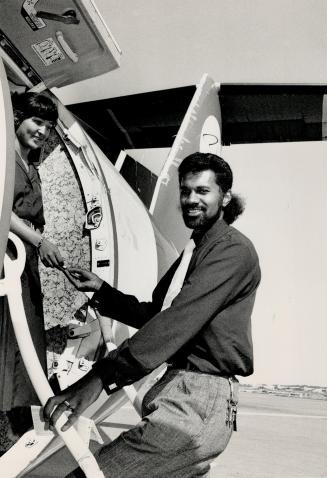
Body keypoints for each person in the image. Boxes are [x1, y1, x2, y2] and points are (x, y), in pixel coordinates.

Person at [44, 152, 261, 477]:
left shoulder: (233, 251)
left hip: (198, 403)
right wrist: (103, 291)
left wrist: (100, 378)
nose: (191, 199)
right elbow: (158, 315)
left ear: (225, 197)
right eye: (186, 191)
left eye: (203, 191)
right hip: (177, 391)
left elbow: (176, 322)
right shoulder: (196, 250)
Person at [0, 92, 64, 445]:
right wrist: (40, 242)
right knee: (9, 343)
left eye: (49, 126)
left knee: (26, 348)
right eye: (37, 121)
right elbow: (3, 211)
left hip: (27, 267)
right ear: (17, 117)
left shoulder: (32, 167)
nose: (43, 131)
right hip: (9, 259)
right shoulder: (4, 159)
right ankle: (8, 433)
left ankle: (19, 427)